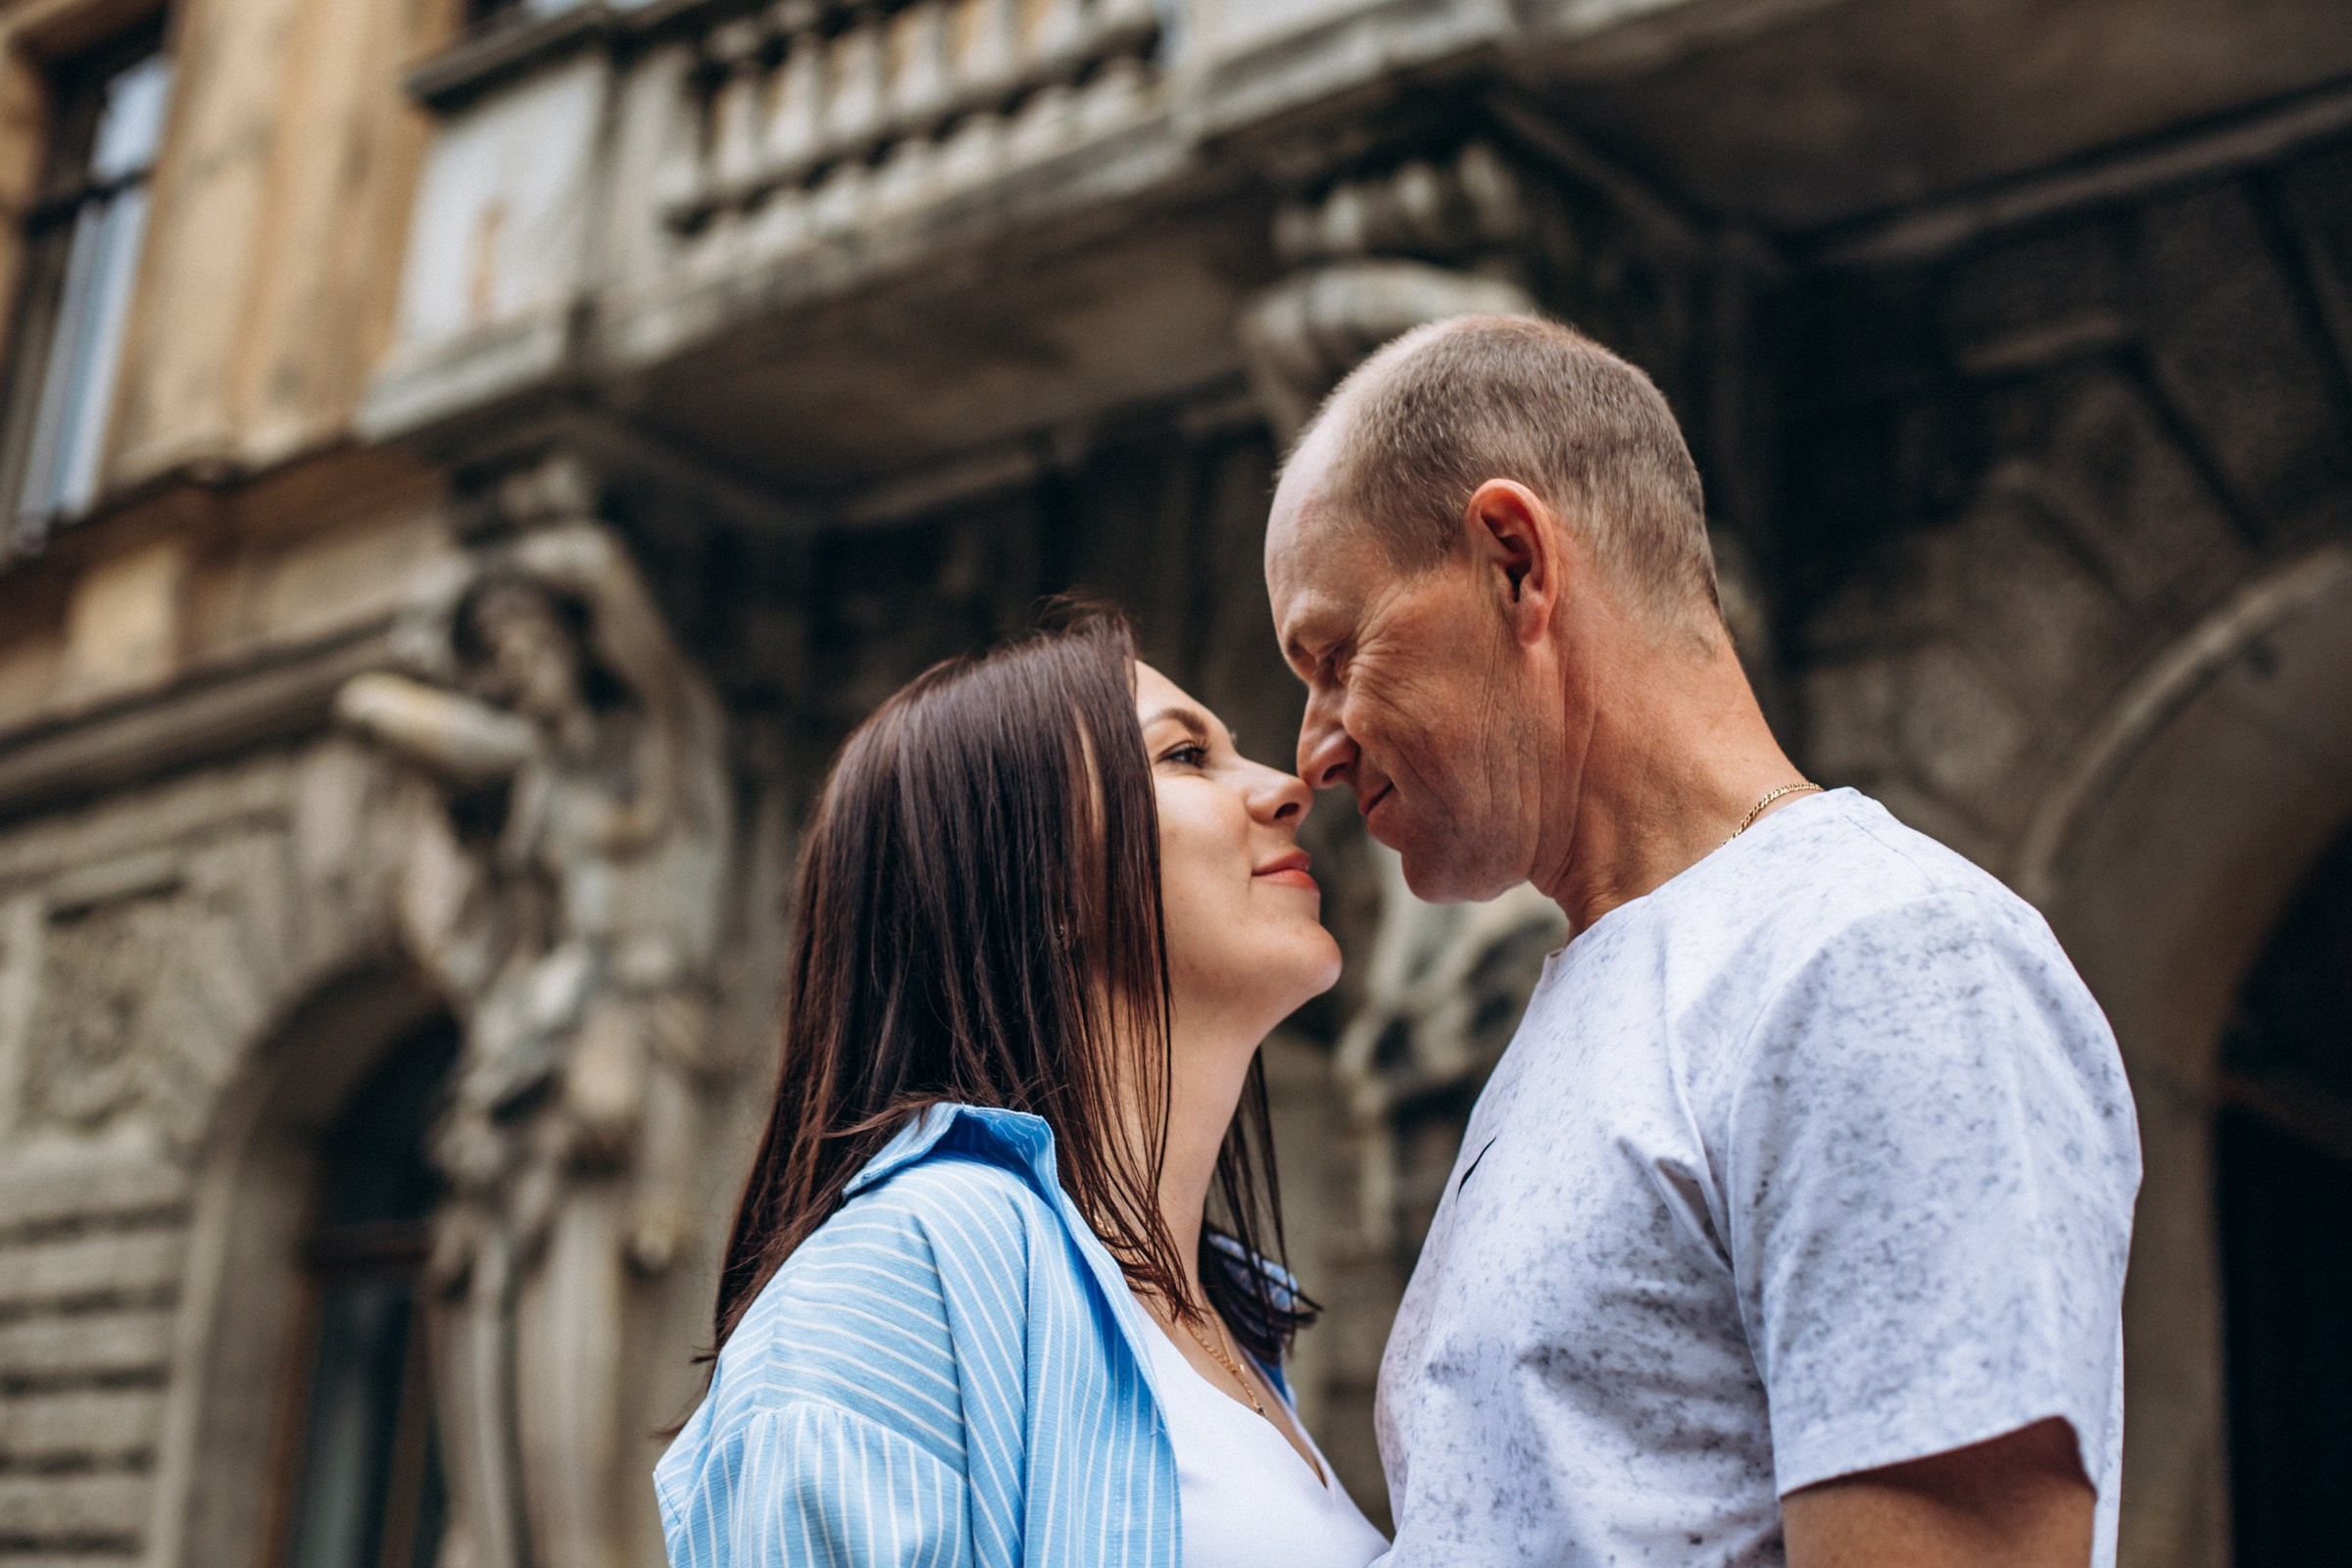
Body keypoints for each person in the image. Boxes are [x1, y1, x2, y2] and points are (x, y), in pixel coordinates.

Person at [1263, 315, 2141, 1568]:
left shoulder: (1878, 959)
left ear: (1515, 562)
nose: (1317, 748)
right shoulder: (1591, 1000)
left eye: (1337, 653)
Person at [654, 612, 1389, 1568]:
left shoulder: (1231, 1322)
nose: (1287, 786)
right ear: (1040, 884)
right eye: (1186, 756)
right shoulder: (906, 1270)